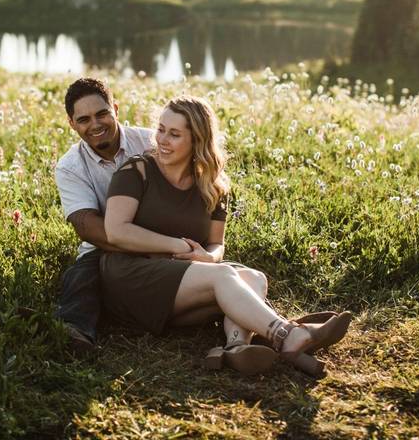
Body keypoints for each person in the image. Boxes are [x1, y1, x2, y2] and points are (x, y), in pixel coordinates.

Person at [101, 95, 352, 376]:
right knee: (224, 276)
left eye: (174, 134)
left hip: (182, 283)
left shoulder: (213, 186)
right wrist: (178, 246)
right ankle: (285, 335)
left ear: (197, 140)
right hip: (131, 278)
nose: (162, 139)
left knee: (254, 277)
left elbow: (216, 244)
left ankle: (236, 348)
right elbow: (116, 231)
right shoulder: (136, 171)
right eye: (161, 129)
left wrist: (207, 256)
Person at [53, 78, 156, 350]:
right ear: (72, 124)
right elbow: (86, 226)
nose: (95, 125)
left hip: (159, 231)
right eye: (84, 119)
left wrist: (161, 243)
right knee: (83, 274)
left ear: (116, 109)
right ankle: (75, 330)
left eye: (102, 114)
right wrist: (137, 248)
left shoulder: (150, 142)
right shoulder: (70, 167)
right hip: (105, 243)